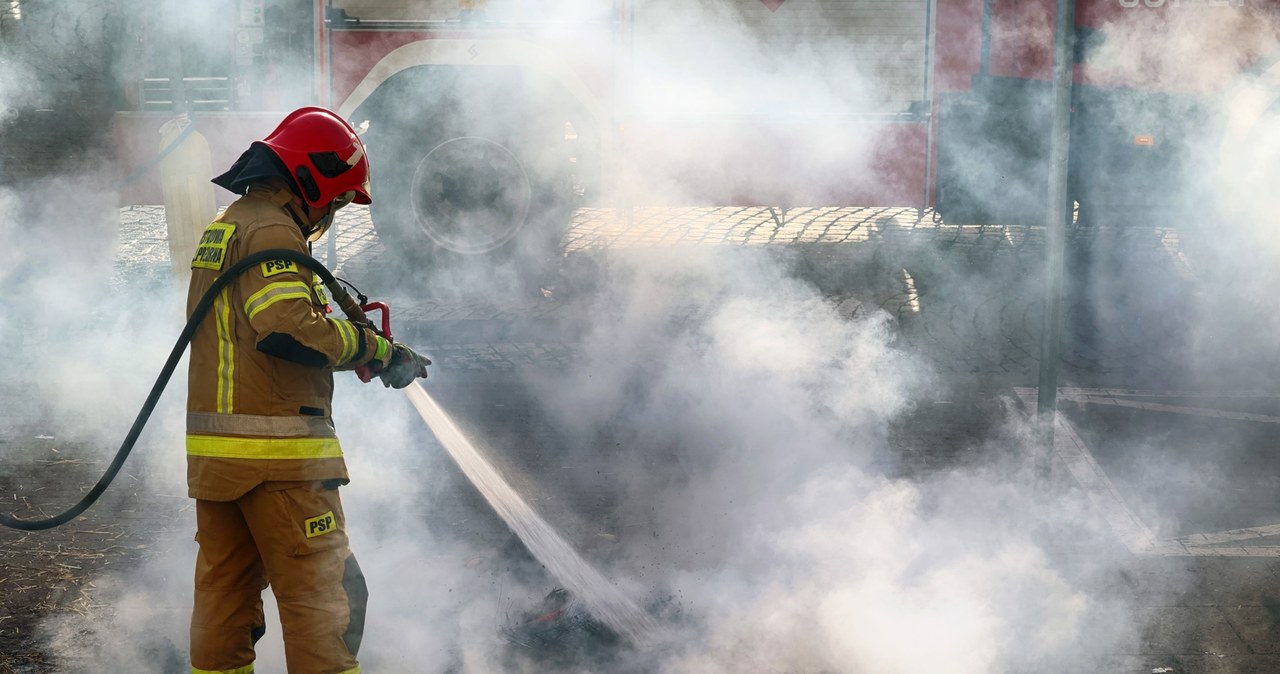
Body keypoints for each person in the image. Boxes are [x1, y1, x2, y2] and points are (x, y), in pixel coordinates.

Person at [185, 106, 430, 674]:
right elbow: (286, 329)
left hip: (220, 462)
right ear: (312, 178)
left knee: (226, 605)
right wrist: (375, 350)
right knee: (328, 602)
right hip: (280, 460)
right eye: (337, 200)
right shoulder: (273, 231)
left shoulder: (229, 225)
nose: (333, 213)